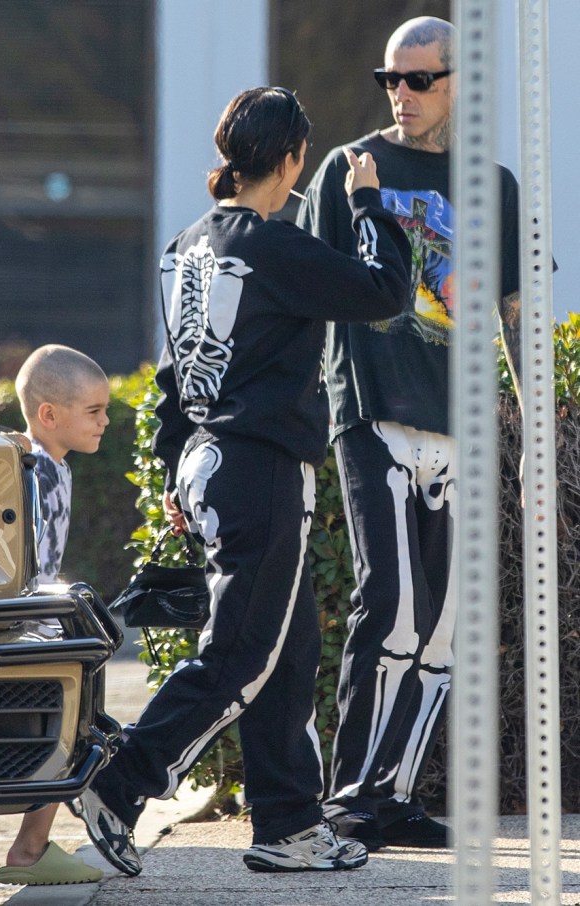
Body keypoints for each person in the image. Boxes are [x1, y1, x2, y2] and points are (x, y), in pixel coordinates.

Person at [68, 85, 411, 876]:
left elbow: (172, 375)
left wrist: (171, 469)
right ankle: (116, 785)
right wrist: (369, 205)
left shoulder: (190, 241)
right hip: (259, 468)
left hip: (209, 463)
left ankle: (288, 824)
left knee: (286, 651)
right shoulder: (273, 243)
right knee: (241, 657)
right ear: (292, 160)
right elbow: (384, 292)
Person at [297, 16, 522, 850]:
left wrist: (531, 437)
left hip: (460, 423)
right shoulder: (349, 169)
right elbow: (308, 286)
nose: (401, 94)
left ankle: (388, 795)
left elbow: (511, 315)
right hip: (374, 411)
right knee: (389, 608)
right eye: (390, 78)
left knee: (446, 625)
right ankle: (349, 795)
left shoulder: (492, 185)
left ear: (461, 82)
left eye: (418, 79)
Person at [0, 344, 111, 886]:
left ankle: (36, 843)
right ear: (49, 415)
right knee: (70, 722)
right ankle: (30, 849)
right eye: (94, 412)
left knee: (78, 723)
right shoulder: (32, 465)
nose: (106, 422)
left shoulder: (56, 466)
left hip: (41, 618)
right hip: (30, 625)